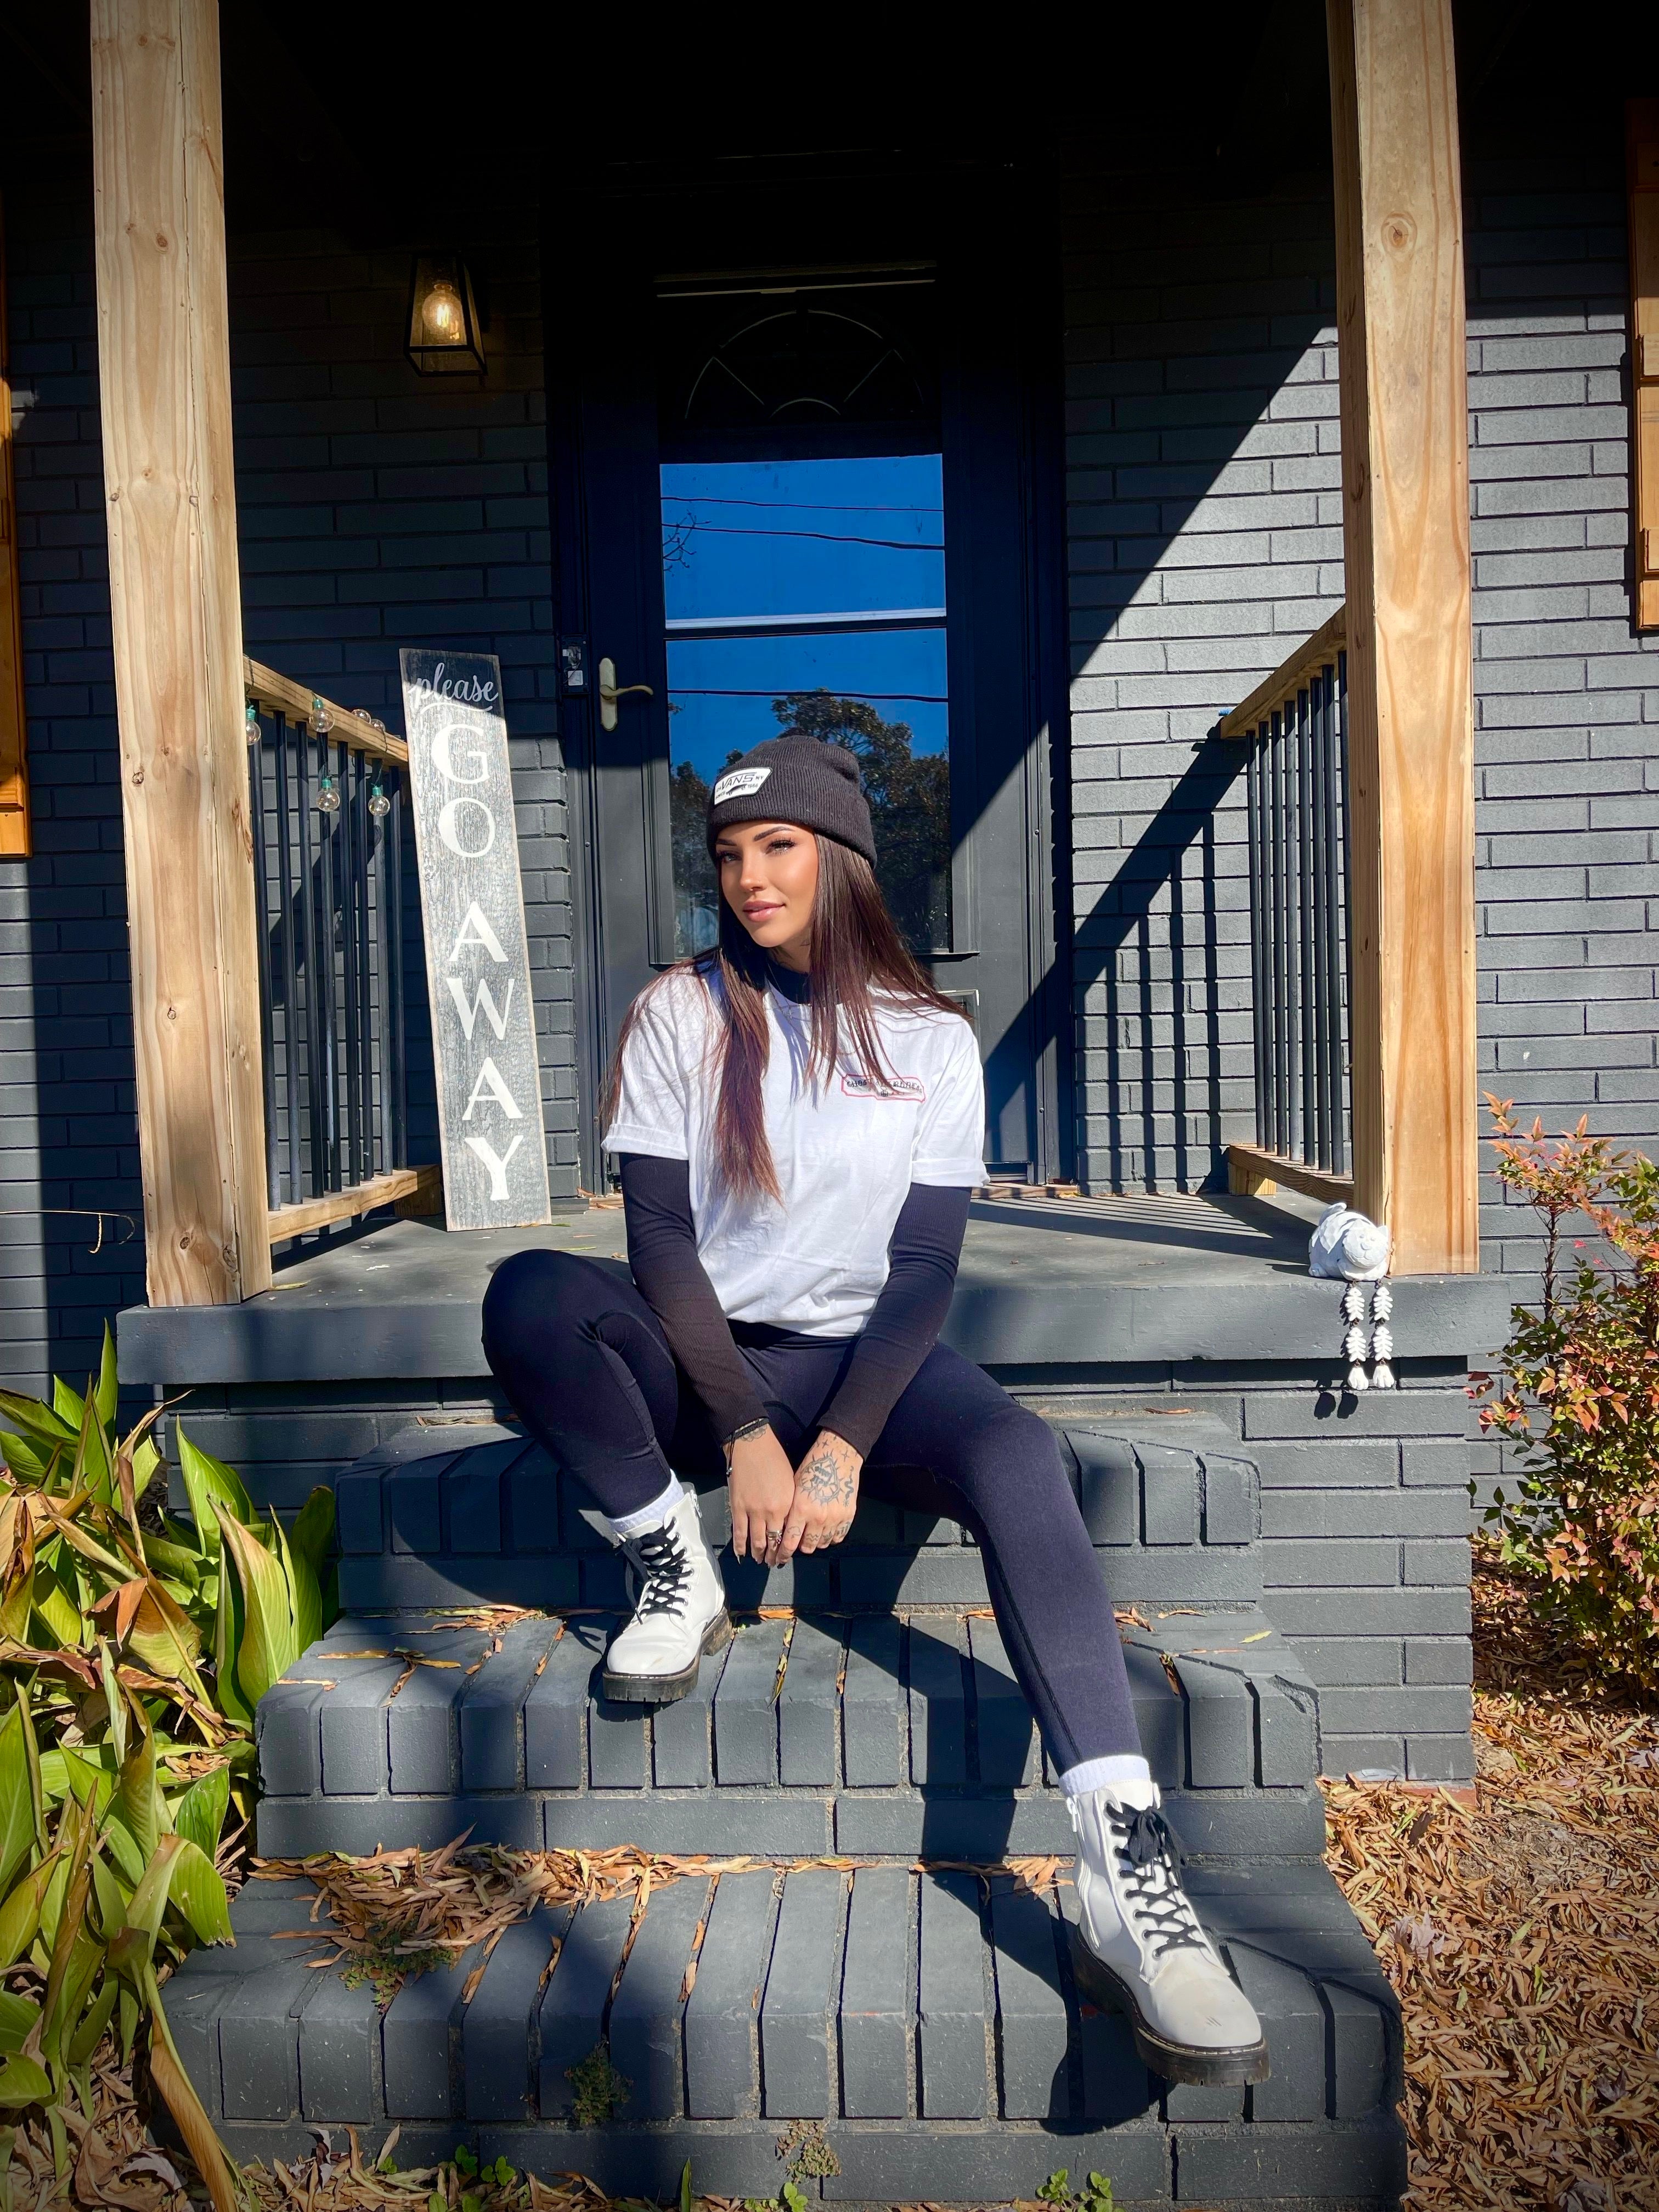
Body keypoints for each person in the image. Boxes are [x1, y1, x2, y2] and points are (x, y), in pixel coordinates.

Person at [482, 731, 1267, 2089]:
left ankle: (1126, 1873)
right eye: (726, 855)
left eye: (777, 846)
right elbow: (662, 1244)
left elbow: (925, 1271)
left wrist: (839, 1442)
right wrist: (742, 1434)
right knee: (531, 1295)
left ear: (841, 856)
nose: (746, 877)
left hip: (865, 1369)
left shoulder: (927, 1041)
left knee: (1019, 1451)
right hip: (705, 1356)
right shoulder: (681, 1011)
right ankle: (672, 1563)